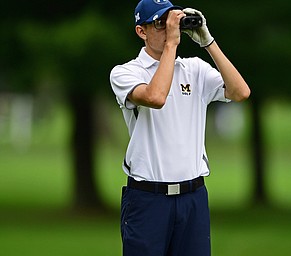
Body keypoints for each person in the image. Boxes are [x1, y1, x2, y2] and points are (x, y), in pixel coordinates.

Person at [109, 0, 250, 255]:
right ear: (142, 31)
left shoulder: (194, 69)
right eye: (160, 24)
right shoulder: (125, 72)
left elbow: (240, 92)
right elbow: (156, 97)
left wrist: (207, 41)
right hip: (147, 199)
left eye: (173, 21)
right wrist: (172, 44)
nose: (169, 29)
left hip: (193, 198)